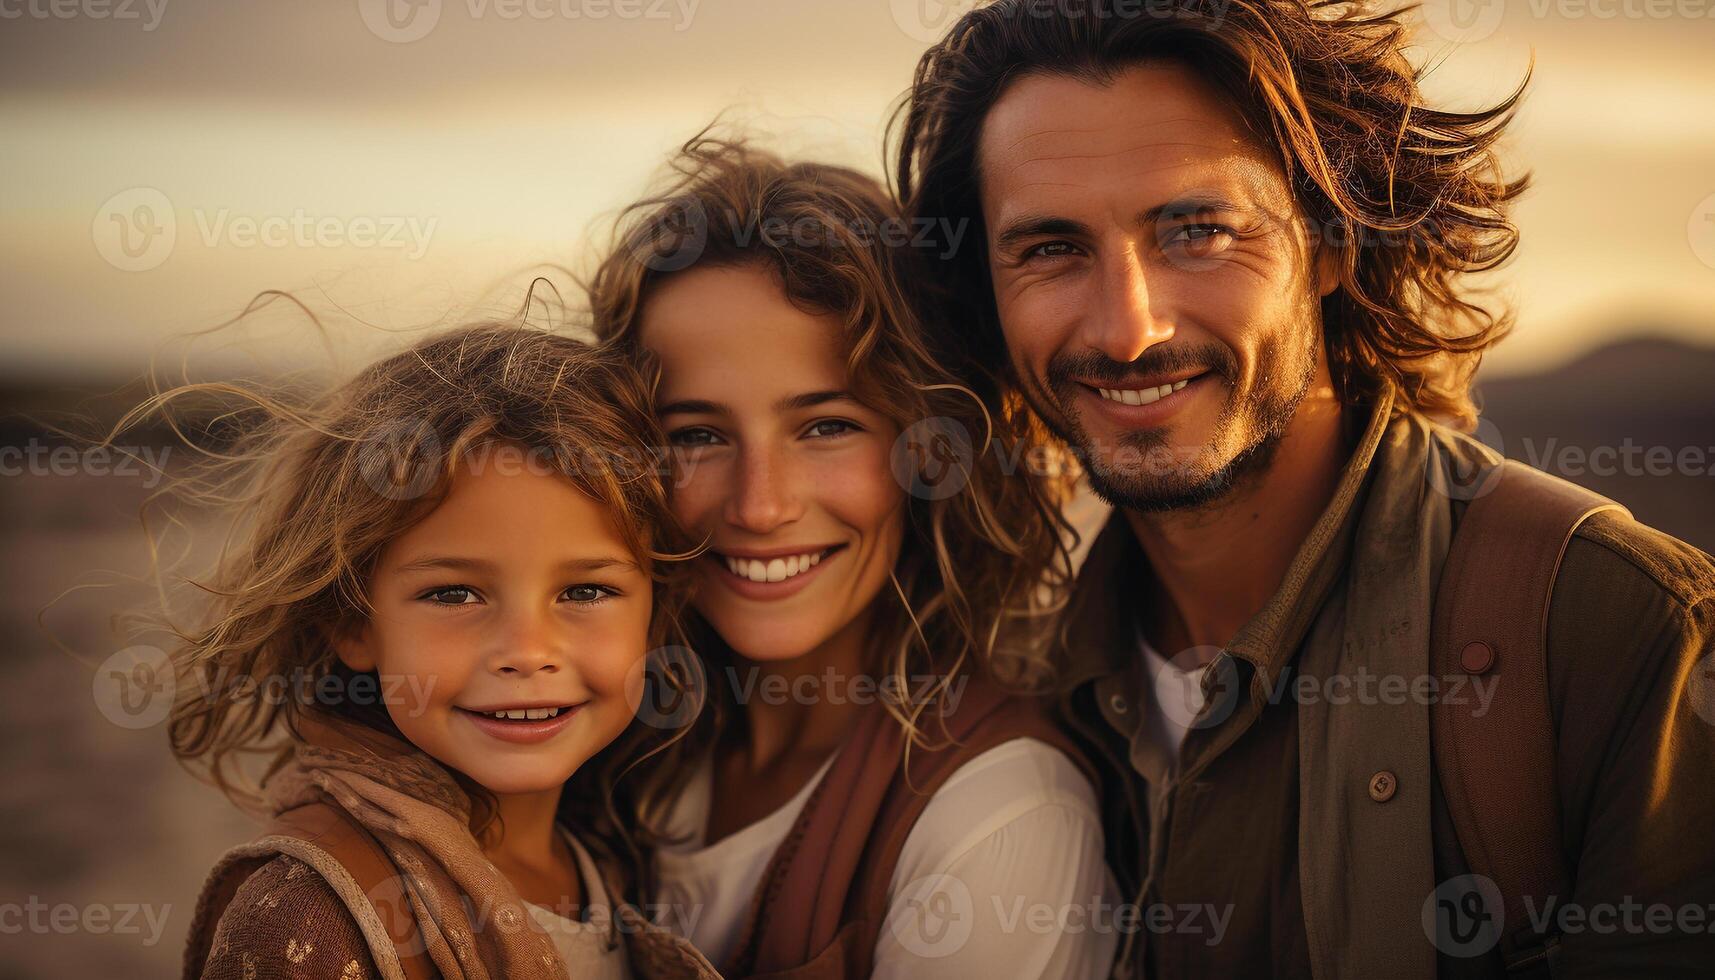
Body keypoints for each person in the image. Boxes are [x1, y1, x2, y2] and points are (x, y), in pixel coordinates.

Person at [892, 1, 1715, 977]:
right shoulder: (994, 682)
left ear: (1332, 241)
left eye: (1194, 230)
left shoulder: (1619, 632)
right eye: (1050, 249)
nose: (1126, 328)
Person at [587, 136, 1118, 978]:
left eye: (826, 426)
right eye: (694, 435)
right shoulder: (605, 745)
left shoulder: (1000, 814)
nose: (760, 505)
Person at [150, 325, 720, 978]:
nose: (527, 652)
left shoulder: (615, 857)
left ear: (653, 617)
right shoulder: (311, 920)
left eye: (586, 590)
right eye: (454, 595)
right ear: (352, 622)